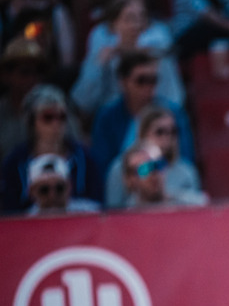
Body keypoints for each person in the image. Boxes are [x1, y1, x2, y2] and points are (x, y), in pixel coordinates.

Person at [71, 0, 186, 125]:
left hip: (154, 117)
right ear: (114, 24)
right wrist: (98, 65)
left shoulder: (157, 51)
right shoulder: (103, 51)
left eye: (140, 17)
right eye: (129, 18)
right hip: (114, 119)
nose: (136, 24)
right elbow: (83, 101)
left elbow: (174, 96)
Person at [89, 48, 196, 183]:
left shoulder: (173, 113)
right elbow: (102, 167)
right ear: (123, 82)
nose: (148, 87)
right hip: (123, 190)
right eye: (141, 80)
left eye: (153, 80)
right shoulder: (107, 117)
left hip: (168, 185)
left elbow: (185, 158)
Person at [0, 84, 102, 214]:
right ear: (31, 121)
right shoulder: (14, 163)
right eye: (48, 117)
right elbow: (10, 215)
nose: (56, 124)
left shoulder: (86, 159)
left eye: (62, 117)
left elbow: (98, 209)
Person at [105, 104, 203, 208]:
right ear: (143, 133)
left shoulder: (186, 172)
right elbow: (112, 212)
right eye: (160, 132)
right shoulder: (122, 168)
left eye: (173, 131)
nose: (167, 138)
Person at [119, 139, 207, 209]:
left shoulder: (193, 206)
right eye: (145, 169)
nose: (154, 172)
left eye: (158, 165)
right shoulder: (123, 216)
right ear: (129, 179)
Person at [23, 152, 100, 216]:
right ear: (32, 191)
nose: (52, 196)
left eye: (59, 188)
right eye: (44, 190)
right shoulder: (23, 222)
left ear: (69, 187)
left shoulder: (90, 215)